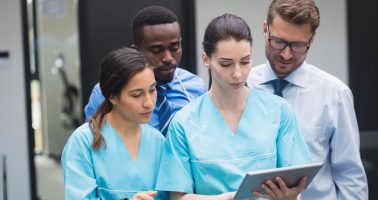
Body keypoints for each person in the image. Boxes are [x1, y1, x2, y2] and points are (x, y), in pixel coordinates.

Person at [155, 14, 312, 200]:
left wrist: (291, 196)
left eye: (245, 62)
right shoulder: (184, 123)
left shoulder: (278, 111)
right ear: (206, 59)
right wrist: (228, 198)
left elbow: (295, 183)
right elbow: (178, 197)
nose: (238, 74)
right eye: (226, 64)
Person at [247, 0, 369, 199]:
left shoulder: (335, 94)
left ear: (312, 39)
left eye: (298, 46)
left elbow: (351, 177)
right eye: (278, 42)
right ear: (264, 29)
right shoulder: (243, 87)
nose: (286, 55)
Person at [61, 47, 167, 200]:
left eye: (152, 90)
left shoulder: (158, 142)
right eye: (137, 94)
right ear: (112, 97)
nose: (149, 103)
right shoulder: (82, 142)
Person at [84, 6, 206, 136]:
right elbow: (92, 142)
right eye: (156, 51)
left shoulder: (195, 87)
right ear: (136, 50)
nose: (168, 58)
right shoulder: (107, 90)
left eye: (174, 48)